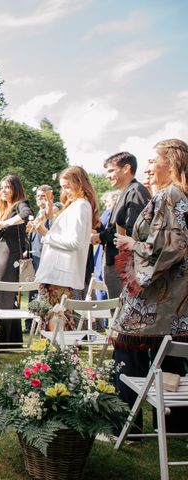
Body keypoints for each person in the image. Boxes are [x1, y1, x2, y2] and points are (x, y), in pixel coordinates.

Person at [112, 138, 188, 435]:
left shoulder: (169, 195)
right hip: (177, 299)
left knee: (127, 350)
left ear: (172, 163)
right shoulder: (182, 195)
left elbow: (170, 248)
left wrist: (133, 244)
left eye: (153, 161)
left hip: (154, 295)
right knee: (170, 356)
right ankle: (173, 427)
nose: (148, 167)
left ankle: (127, 428)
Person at [33, 166, 100, 330]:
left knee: (59, 326)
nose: (65, 191)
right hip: (55, 273)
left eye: (67, 186)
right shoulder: (74, 205)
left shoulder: (81, 206)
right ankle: (55, 355)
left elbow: (75, 242)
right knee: (51, 325)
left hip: (61, 275)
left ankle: (61, 355)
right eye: (62, 187)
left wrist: (46, 234)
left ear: (80, 183)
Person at [90, 152, 151, 299]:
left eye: (111, 170)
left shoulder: (136, 192)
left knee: (122, 314)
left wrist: (100, 236)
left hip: (124, 266)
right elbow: (117, 227)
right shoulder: (126, 192)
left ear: (126, 168)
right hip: (117, 264)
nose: (107, 176)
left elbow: (131, 232)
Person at [0, 175, 32, 348]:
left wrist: (4, 223)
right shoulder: (1, 209)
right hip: (0, 252)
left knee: (3, 294)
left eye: (7, 187)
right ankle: (11, 340)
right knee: (6, 296)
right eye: (1, 188)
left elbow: (26, 215)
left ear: (15, 189)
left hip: (10, 253)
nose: (3, 191)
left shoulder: (20, 204)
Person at [25, 184, 53, 332]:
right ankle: (31, 324)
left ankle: (41, 324)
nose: (40, 199)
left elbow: (51, 234)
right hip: (34, 255)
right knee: (33, 290)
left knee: (43, 292)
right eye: (38, 196)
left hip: (46, 257)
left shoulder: (52, 212)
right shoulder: (38, 214)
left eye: (43, 196)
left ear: (50, 197)